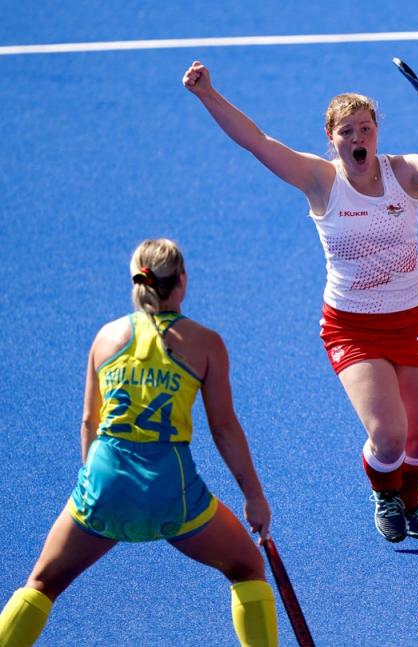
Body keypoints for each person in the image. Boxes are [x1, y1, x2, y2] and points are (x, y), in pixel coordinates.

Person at [183, 61, 418, 544]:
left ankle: (412, 505)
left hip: (413, 318)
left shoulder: (403, 171)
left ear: (377, 132)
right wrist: (208, 95)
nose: (358, 137)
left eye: (366, 128)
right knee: (390, 436)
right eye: (347, 131)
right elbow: (257, 141)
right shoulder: (321, 180)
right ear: (332, 137)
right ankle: (385, 497)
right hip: (352, 326)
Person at [0, 239, 277, 647]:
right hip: (171, 491)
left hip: (104, 482)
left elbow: (88, 422)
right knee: (246, 567)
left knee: (42, 582)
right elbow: (224, 428)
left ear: (136, 281)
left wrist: (95, 491)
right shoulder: (205, 343)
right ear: (182, 280)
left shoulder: (106, 337)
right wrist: (254, 497)